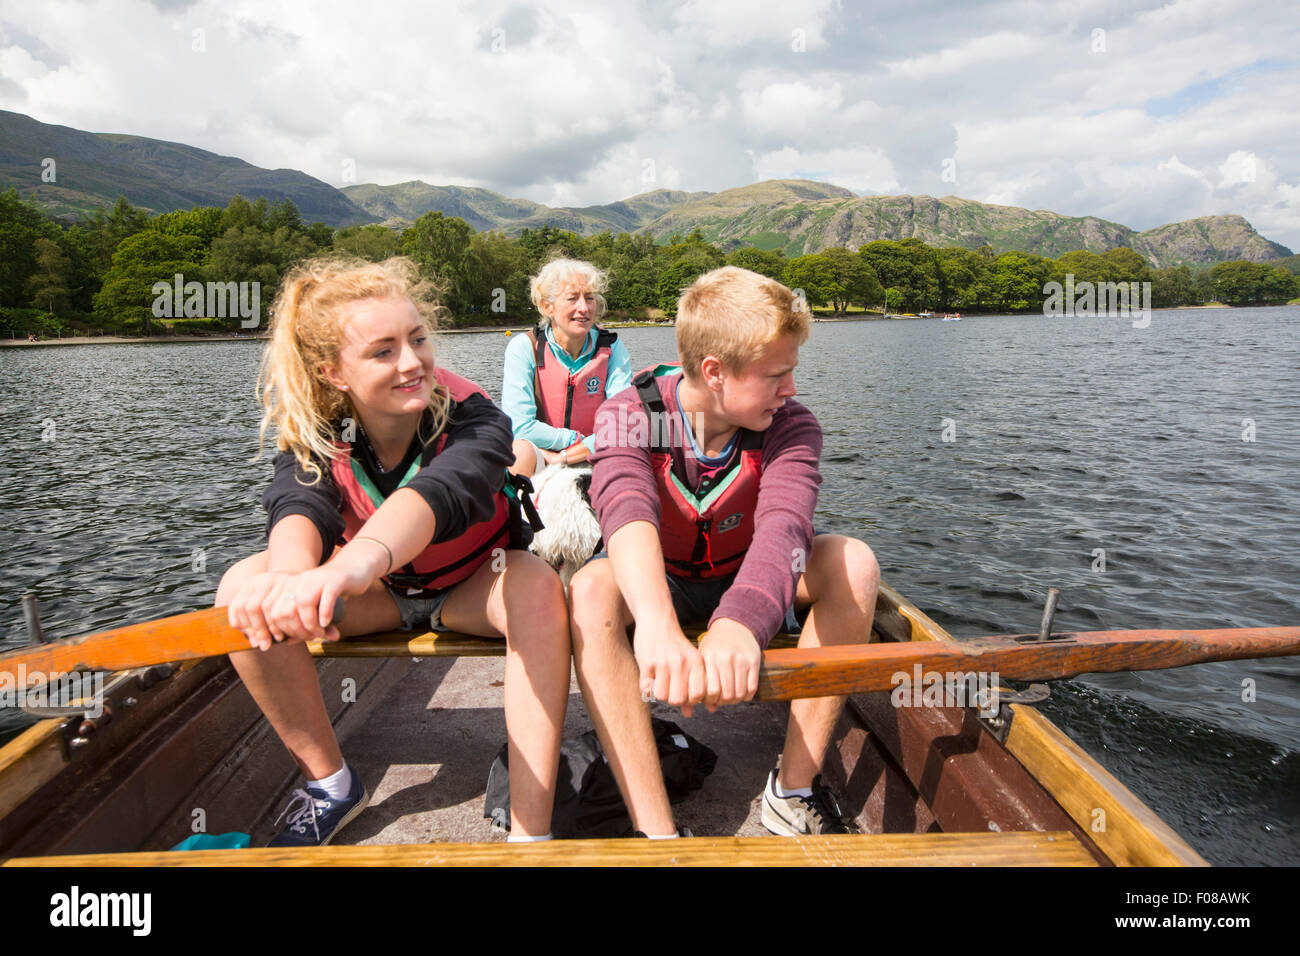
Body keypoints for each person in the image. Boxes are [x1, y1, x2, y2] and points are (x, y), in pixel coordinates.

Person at [215, 256, 569, 846]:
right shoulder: (318, 432)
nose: (412, 363)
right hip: (381, 596)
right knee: (241, 587)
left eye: (417, 340)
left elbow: (439, 492)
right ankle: (331, 784)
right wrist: (289, 580)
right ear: (333, 373)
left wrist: (355, 563)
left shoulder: (475, 417)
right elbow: (299, 506)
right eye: (383, 351)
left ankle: (530, 834)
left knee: (537, 588)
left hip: (473, 587)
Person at [569, 266, 880, 838]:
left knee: (853, 563)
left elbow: (785, 528)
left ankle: (793, 789)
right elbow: (627, 510)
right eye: (777, 375)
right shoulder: (628, 413)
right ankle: (655, 830)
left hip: (744, 579)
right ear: (714, 372)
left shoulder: (791, 426)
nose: (791, 390)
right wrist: (658, 628)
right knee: (590, 589)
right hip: (659, 585)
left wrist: (740, 626)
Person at [502, 259, 633, 476]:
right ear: (547, 306)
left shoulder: (611, 347)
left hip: (598, 453)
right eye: (572, 298)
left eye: (589, 298)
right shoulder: (524, 348)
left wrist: (570, 455)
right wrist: (574, 440)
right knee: (519, 452)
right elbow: (519, 426)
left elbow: (621, 422)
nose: (584, 308)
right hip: (543, 454)